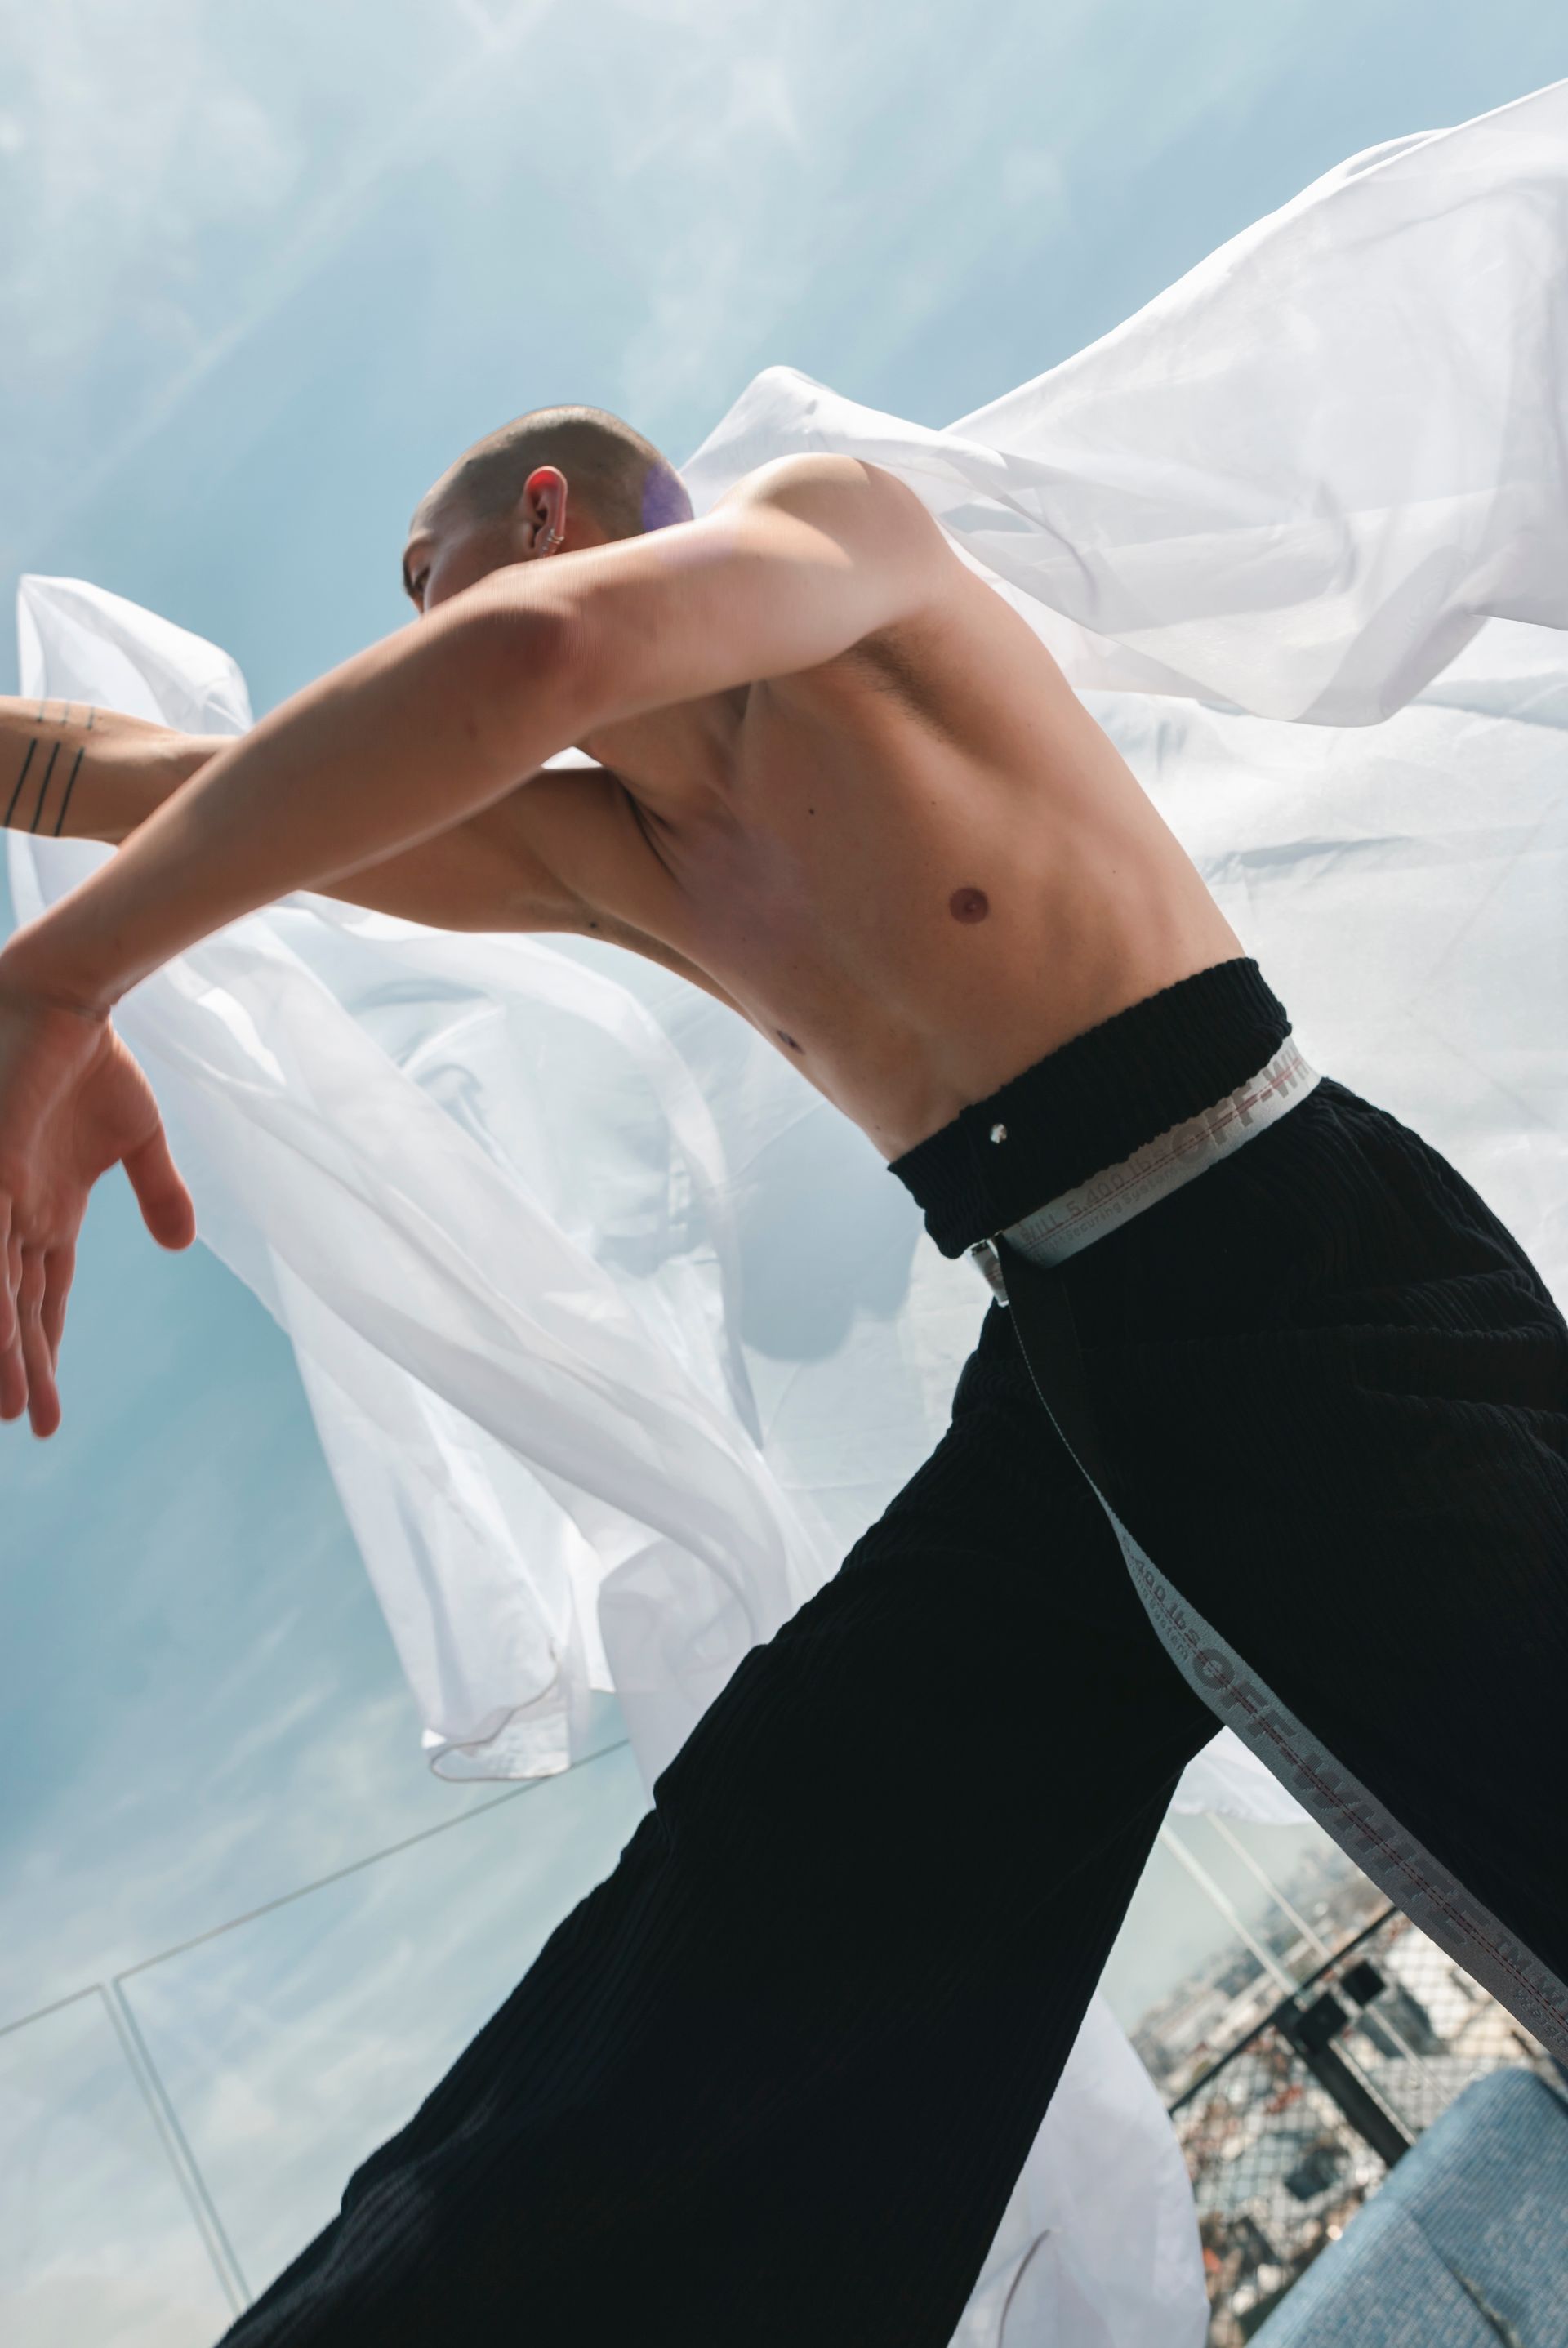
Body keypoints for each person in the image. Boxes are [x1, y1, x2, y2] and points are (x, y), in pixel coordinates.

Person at [0, 399, 1564, 2346]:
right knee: (728, 1975)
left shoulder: (841, 545)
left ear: (543, 511)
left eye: (416, 577)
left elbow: (528, 661)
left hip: (1284, 1248)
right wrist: (61, 926)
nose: (403, 631)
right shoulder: (616, 854)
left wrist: (59, 980)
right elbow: (168, 781)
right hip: (1061, 1397)